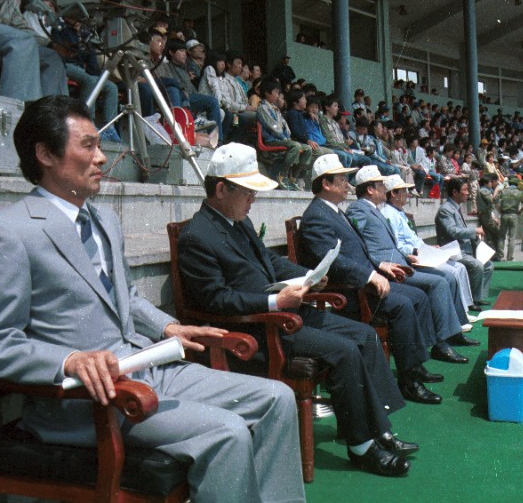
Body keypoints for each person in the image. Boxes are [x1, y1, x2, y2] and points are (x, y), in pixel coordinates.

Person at [0, 96, 304, 502]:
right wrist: (67, 360)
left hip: (146, 366)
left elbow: (125, 297)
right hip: (88, 399)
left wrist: (168, 327)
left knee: (278, 398)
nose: (101, 157)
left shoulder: (104, 220)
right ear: (44, 153)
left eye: (100, 145)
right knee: (228, 432)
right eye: (88, 146)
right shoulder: (7, 231)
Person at [177, 144, 415, 477]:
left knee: (363, 334)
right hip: (254, 331)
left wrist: (308, 277)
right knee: (345, 350)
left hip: (280, 317)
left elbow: (270, 261)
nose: (253, 198)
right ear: (221, 189)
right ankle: (362, 446)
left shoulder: (237, 221)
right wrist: (276, 302)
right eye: (248, 191)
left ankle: (374, 427)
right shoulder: (197, 235)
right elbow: (216, 301)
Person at [297, 155, 444, 404]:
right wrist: (369, 275)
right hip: (351, 292)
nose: (348, 184)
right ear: (326, 184)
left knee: (418, 296)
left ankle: (414, 364)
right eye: (342, 179)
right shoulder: (316, 216)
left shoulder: (332, 211)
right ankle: (409, 381)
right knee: (403, 305)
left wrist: (378, 266)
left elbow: (357, 252)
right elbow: (331, 261)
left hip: (364, 283)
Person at [346, 166, 478, 364]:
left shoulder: (373, 209)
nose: (384, 188)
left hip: (400, 263)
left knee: (444, 278)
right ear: (370, 189)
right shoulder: (359, 209)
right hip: (389, 269)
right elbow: (355, 241)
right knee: (439, 282)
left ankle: (448, 335)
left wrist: (406, 258)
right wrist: (379, 264)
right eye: (381, 184)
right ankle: (442, 343)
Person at [381, 174, 475, 315]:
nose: (407, 194)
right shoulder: (388, 214)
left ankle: (463, 310)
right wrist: (416, 250)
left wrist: (428, 247)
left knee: (459, 267)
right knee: (451, 272)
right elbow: (398, 243)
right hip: (415, 256)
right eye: (403, 191)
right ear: (394, 193)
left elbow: (412, 238)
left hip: (423, 251)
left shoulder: (399, 212)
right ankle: (455, 314)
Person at [436, 178, 494, 306]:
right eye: (465, 190)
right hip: (453, 252)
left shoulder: (455, 207)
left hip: (465, 249)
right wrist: (475, 231)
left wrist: (475, 237)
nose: (468, 193)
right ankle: (470, 301)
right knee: (477, 265)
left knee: (488, 265)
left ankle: (478, 297)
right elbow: (452, 231)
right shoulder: (445, 210)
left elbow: (461, 230)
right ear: (455, 192)